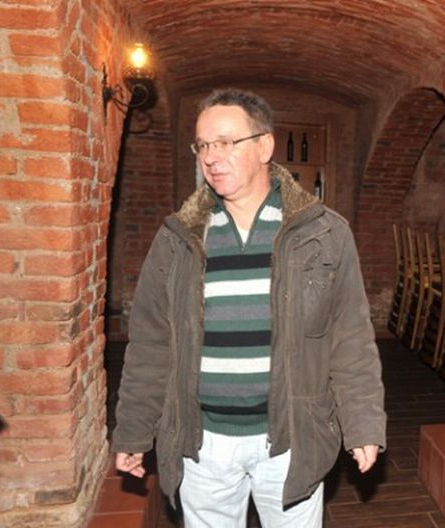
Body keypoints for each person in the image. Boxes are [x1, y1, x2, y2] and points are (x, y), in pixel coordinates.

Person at [111, 87, 386, 528]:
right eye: (203, 145)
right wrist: (134, 429)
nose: (211, 157)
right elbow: (150, 345)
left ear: (264, 146)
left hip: (291, 437)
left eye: (226, 142)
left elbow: (350, 338)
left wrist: (363, 423)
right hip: (201, 442)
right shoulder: (178, 239)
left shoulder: (323, 234)